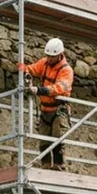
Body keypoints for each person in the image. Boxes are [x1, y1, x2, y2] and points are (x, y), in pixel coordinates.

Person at [18, 38, 74, 170]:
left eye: (52, 56)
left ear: (60, 55)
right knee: (43, 140)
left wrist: (39, 90)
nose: (49, 58)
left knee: (57, 138)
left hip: (58, 109)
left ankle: (59, 165)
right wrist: (23, 69)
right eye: (47, 55)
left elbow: (59, 88)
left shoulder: (66, 70)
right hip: (45, 109)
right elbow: (31, 69)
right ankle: (46, 165)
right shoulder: (44, 63)